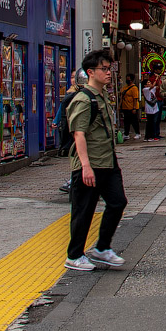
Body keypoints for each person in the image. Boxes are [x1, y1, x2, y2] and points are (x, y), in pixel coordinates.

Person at [65, 51, 128, 272]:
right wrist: (85, 167)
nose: (109, 73)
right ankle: (74, 255)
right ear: (90, 72)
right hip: (90, 165)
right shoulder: (83, 100)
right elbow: (79, 134)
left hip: (108, 163)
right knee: (83, 210)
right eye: (104, 69)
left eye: (109, 68)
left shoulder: (102, 97)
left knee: (118, 202)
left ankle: (102, 248)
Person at [141, 70, 162, 141]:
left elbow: (158, 86)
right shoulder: (145, 89)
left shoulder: (152, 89)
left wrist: (158, 79)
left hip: (154, 107)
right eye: (148, 83)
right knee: (150, 122)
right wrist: (156, 78)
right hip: (149, 108)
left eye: (149, 82)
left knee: (153, 122)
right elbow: (153, 86)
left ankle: (152, 136)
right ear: (145, 85)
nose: (150, 83)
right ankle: (150, 136)